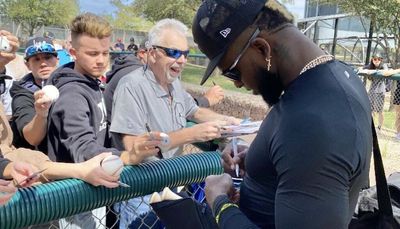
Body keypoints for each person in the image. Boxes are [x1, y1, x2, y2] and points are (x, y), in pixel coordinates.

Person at [192, 0, 373, 228]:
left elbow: (309, 144)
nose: (237, 84)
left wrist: (218, 202)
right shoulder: (335, 77)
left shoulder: (312, 122)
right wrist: (260, 157)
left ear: (261, 49)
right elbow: (302, 159)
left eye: (232, 71)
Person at [110, 18, 240, 228]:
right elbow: (132, 147)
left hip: (172, 184)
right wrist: (192, 134)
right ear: (152, 53)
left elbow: (195, 111)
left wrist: (229, 121)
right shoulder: (131, 86)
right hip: (141, 192)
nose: (181, 60)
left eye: (185, 54)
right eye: (173, 52)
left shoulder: (174, 84)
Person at [45, 13, 162, 228]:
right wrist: (128, 155)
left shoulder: (91, 82)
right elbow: (82, 148)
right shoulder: (71, 95)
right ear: (73, 53)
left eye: (105, 52)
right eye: (92, 53)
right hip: (74, 196)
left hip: (94, 185)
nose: (100, 60)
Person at [10, 37, 58, 153]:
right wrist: (41, 114)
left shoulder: (69, 84)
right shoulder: (22, 93)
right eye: (36, 59)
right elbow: (32, 139)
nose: (43, 63)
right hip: (34, 163)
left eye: (48, 57)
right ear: (28, 65)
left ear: (57, 60)